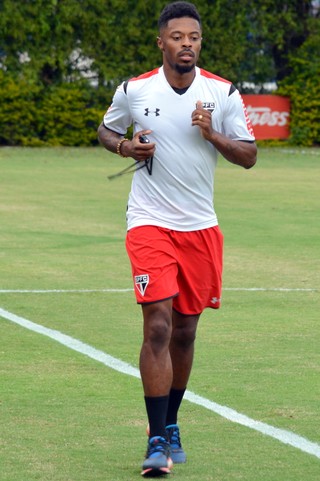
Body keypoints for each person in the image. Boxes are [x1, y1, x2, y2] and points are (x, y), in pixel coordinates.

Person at [98, 1, 257, 477]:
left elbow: (248, 156)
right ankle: (154, 439)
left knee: (185, 332)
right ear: (161, 42)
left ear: (199, 43)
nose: (186, 43)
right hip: (148, 221)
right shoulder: (134, 89)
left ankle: (170, 423)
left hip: (200, 227)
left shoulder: (221, 92)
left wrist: (212, 136)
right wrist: (127, 145)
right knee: (159, 327)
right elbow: (106, 130)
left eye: (194, 37)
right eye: (177, 37)